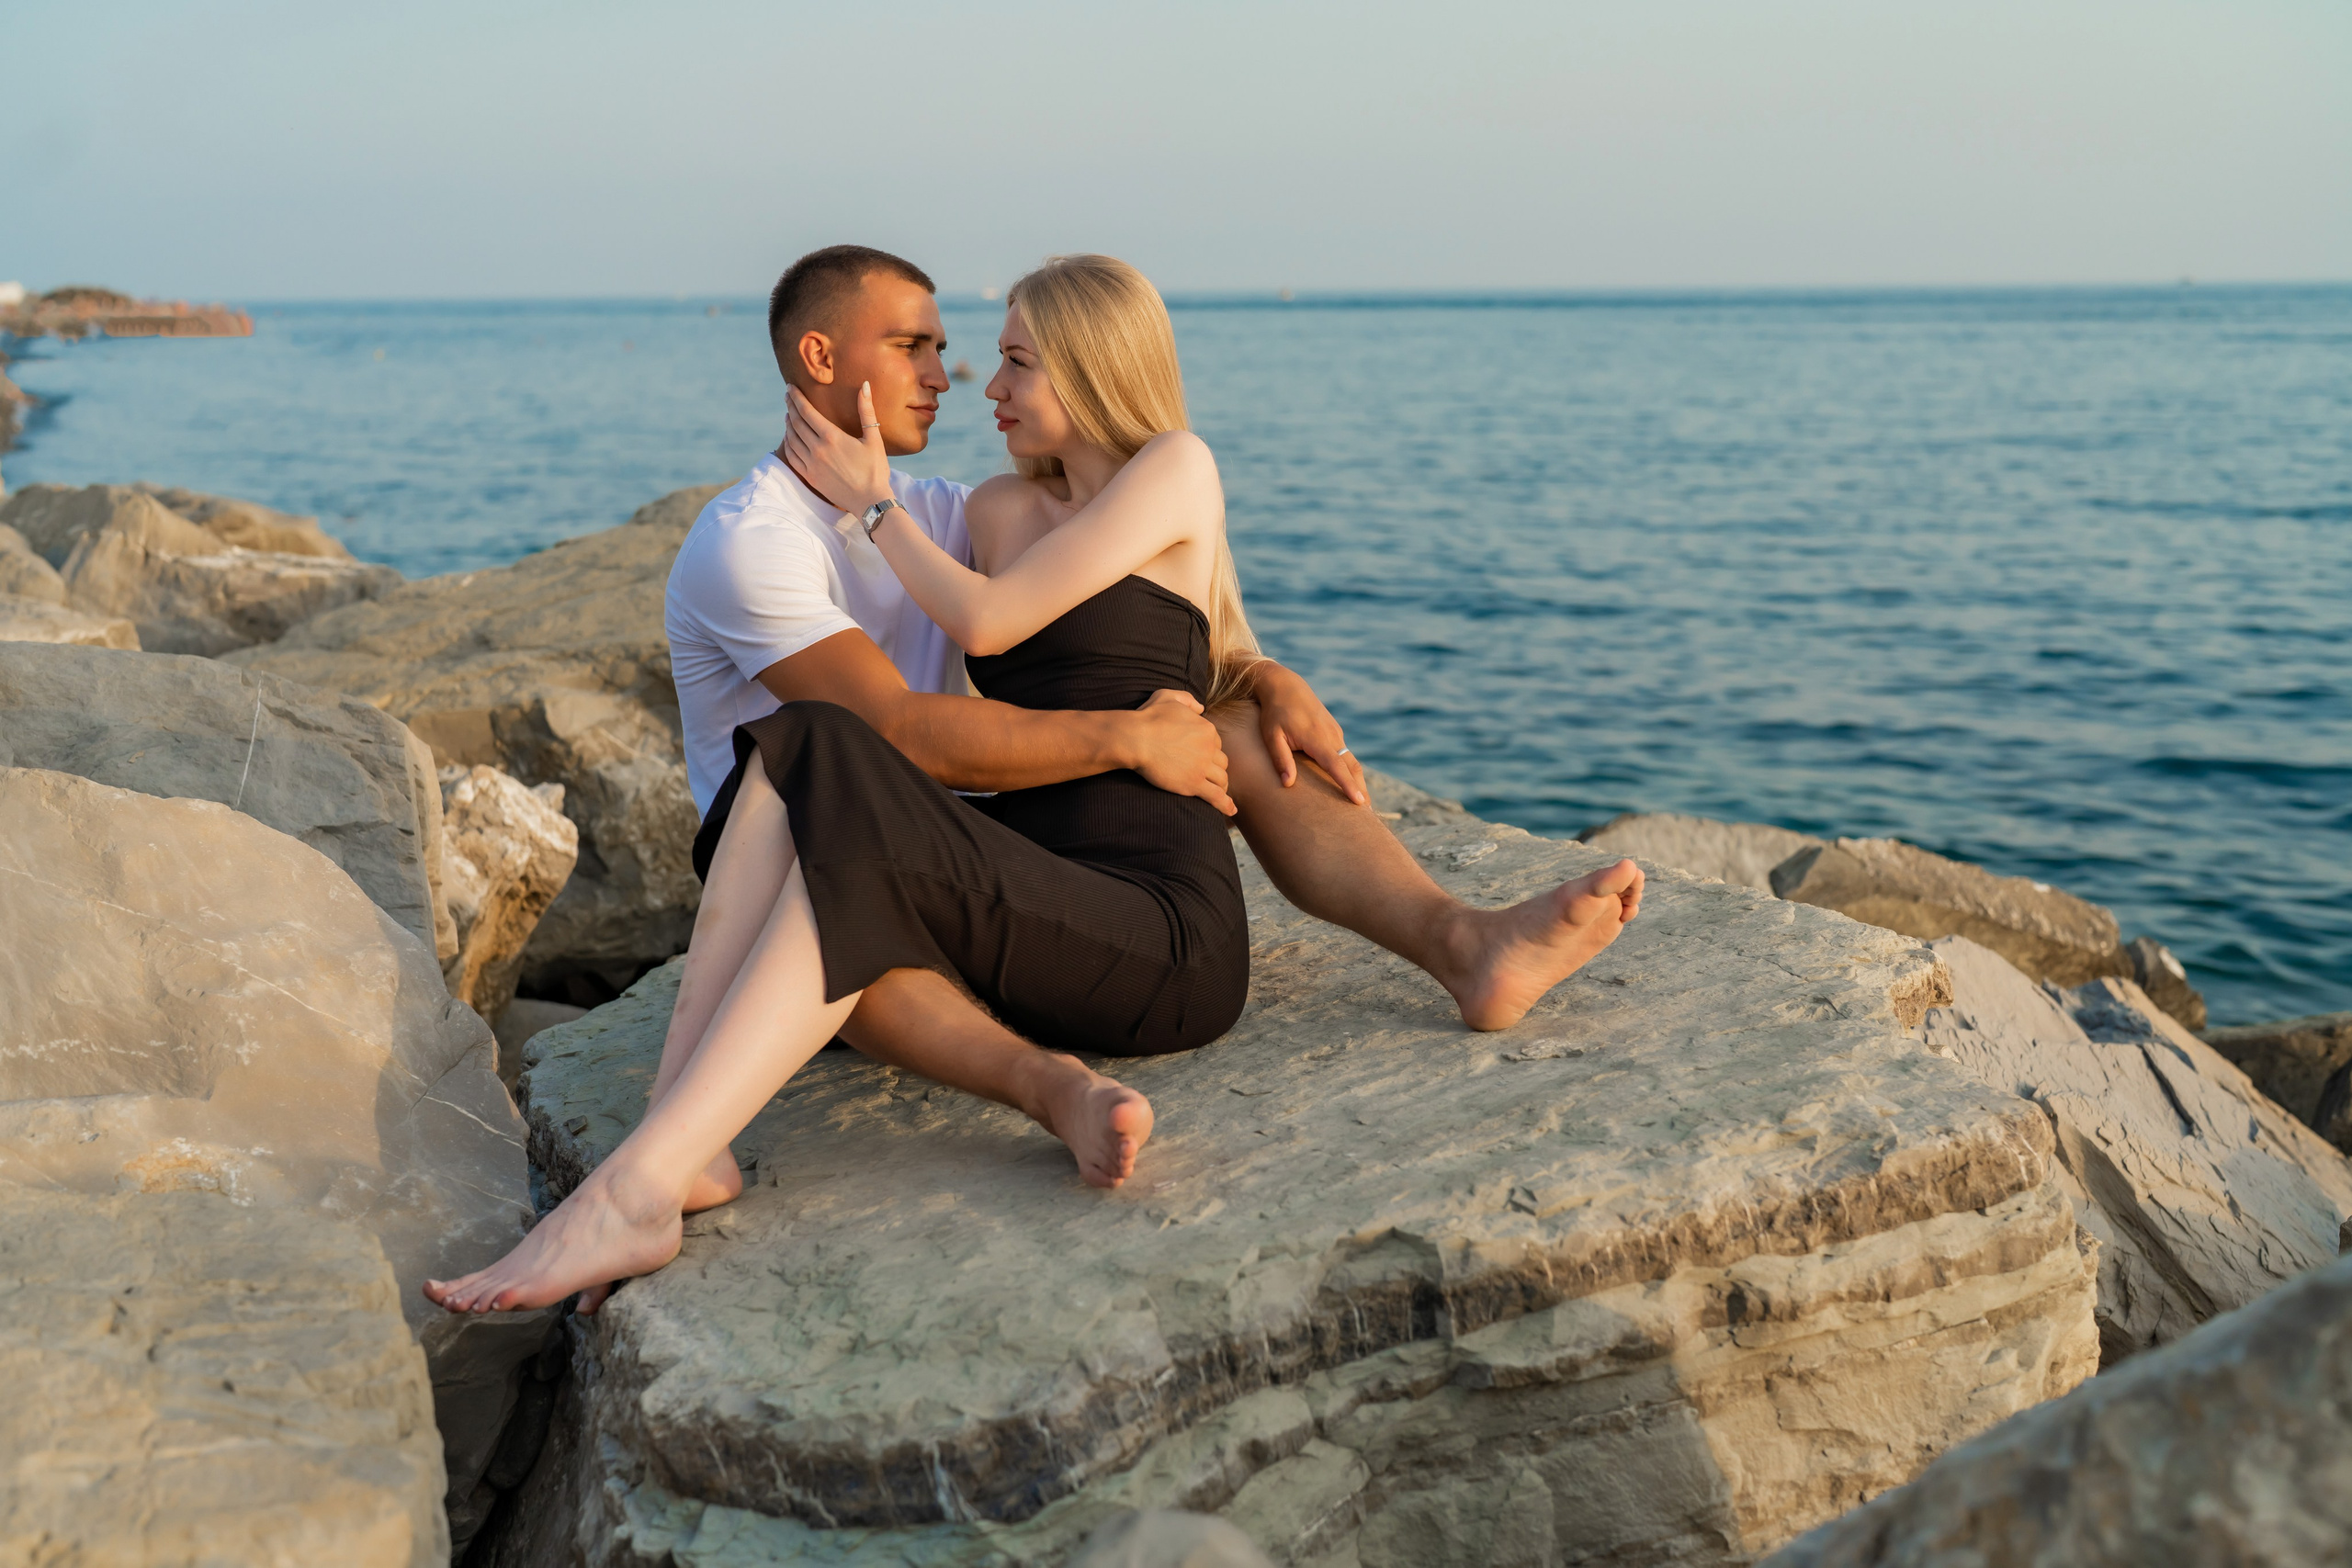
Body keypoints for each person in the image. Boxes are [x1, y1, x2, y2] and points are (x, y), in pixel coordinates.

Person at [424, 251, 1641, 1316]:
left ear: (1093, 369)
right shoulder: (836, 528)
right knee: (817, 749)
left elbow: (1165, 621)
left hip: (1138, 927)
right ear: (818, 356)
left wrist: (1260, 676)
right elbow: (927, 714)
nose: (966, 383)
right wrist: (1114, 727)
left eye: (994, 359)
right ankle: (673, 1158)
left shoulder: (1077, 485)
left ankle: (1463, 943)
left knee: (861, 767)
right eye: (931, 349)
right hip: (968, 883)